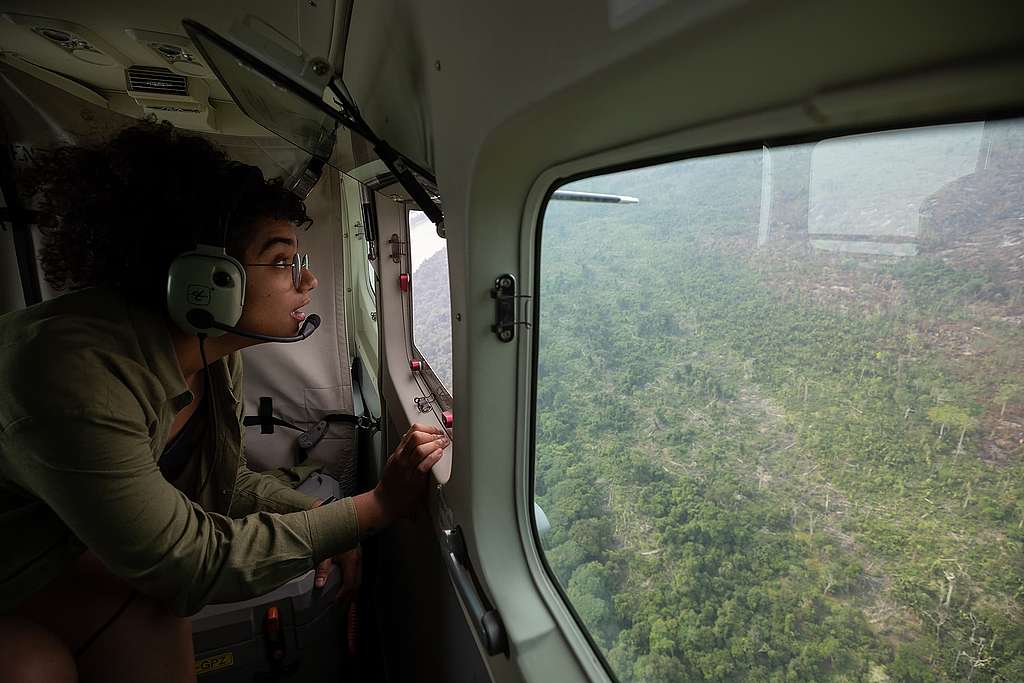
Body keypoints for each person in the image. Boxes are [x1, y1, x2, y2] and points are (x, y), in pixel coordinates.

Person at [0, 121, 446, 682]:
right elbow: (191, 564)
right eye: (283, 261)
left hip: (51, 560)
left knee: (154, 619)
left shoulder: (214, 356)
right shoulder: (73, 376)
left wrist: (318, 515)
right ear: (204, 281)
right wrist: (372, 509)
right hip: (24, 570)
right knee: (33, 669)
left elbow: (224, 482)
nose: (306, 282)